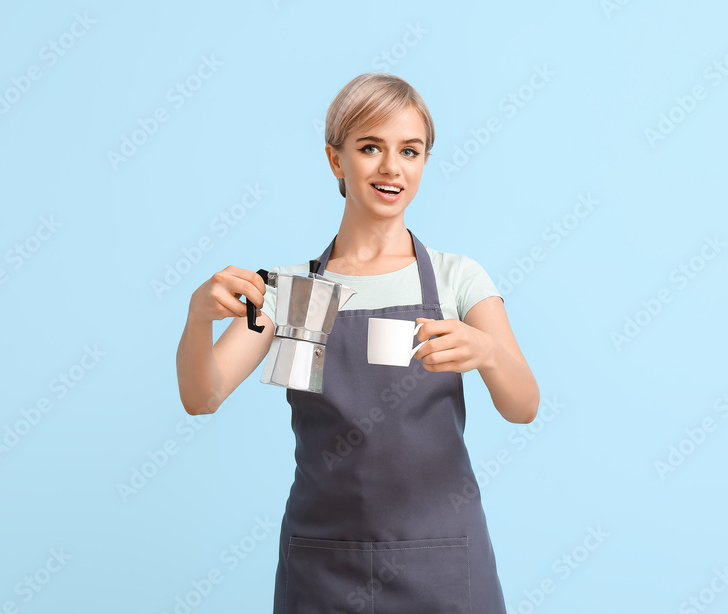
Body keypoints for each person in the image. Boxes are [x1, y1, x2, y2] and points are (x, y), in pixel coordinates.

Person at [176, 72, 540, 612]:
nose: (392, 167)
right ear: (335, 160)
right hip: (323, 564)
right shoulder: (290, 291)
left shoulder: (457, 280)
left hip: (441, 559)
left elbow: (524, 406)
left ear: (424, 162)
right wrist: (196, 318)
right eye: (371, 147)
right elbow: (201, 397)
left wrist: (487, 353)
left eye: (409, 151)